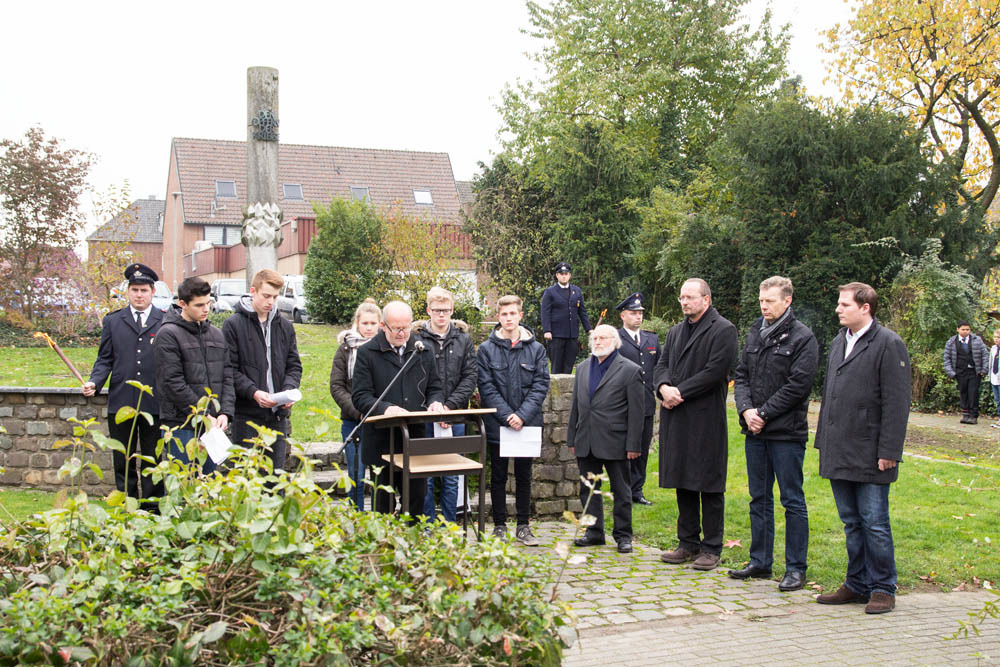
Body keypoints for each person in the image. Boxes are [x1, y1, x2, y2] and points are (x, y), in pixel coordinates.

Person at [814, 282, 911, 614]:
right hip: (839, 448)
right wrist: (822, 442)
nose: (838, 310)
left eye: (844, 305)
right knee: (851, 522)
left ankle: (883, 587)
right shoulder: (839, 341)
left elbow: (897, 404)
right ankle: (856, 584)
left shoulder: (888, 344)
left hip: (871, 452)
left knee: (874, 522)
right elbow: (831, 396)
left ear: (865, 308)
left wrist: (889, 451)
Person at [730, 276, 818, 592]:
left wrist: (763, 413)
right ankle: (760, 562)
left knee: (792, 500)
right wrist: (746, 410)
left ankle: (796, 568)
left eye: (770, 301)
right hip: (755, 432)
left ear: (787, 301)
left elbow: (798, 385)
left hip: (786, 433)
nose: (764, 306)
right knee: (759, 498)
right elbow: (741, 375)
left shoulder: (803, 338)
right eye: (761, 300)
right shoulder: (756, 331)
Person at [655, 278, 738, 571]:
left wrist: (680, 392)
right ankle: (687, 542)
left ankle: (712, 547)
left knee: (708, 482)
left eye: (690, 297)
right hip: (676, 416)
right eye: (681, 297)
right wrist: (664, 387)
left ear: (706, 300)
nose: (684, 302)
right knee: (683, 479)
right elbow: (661, 365)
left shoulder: (724, 330)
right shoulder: (677, 331)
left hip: (704, 417)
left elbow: (715, 371)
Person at [351, 301, 445, 518]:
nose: (403, 333)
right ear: (383, 326)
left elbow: (435, 387)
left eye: (407, 327)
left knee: (416, 498)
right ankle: (384, 548)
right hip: (381, 440)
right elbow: (360, 396)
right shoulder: (367, 353)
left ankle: (413, 545)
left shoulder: (423, 351)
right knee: (383, 503)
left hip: (414, 437)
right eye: (397, 328)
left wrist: (435, 401)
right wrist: (385, 408)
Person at [83, 263, 164, 505]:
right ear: (128, 292)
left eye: (144, 290)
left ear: (153, 292)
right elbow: (104, 359)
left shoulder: (166, 320)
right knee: (123, 458)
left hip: (155, 402)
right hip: (121, 401)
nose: (139, 295)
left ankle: (152, 510)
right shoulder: (113, 321)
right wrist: (94, 383)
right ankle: (126, 507)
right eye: (135, 290)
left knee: (153, 458)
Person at [477, 294, 550, 546]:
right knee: (497, 476)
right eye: (504, 314)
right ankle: (498, 525)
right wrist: (507, 415)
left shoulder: (537, 349)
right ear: (497, 317)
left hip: (526, 424)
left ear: (521, 315)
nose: (509, 318)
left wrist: (521, 415)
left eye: (513, 313)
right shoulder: (486, 350)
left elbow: (541, 385)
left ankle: (523, 526)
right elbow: (486, 387)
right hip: (499, 424)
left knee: (523, 476)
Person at [567, 325, 644, 553]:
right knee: (588, 489)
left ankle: (623, 536)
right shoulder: (581, 369)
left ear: (614, 341)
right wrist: (571, 438)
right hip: (586, 439)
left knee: (622, 490)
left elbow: (637, 413)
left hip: (616, 441)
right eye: (595, 338)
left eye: (603, 338)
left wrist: (633, 445)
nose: (598, 342)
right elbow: (576, 408)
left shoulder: (630, 370)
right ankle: (594, 532)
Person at [222, 269, 302, 474]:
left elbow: (293, 364)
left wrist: (289, 390)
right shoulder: (233, 325)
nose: (271, 302)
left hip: (277, 414)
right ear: (253, 292)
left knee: (275, 478)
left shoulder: (284, 326)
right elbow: (230, 369)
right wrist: (253, 392)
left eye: (275, 297)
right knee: (248, 476)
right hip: (247, 413)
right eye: (266, 296)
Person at [154, 276, 235, 474]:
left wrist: (225, 412)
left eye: (208, 303)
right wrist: (202, 414)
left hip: (212, 427)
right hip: (181, 424)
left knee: (208, 486)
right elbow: (172, 382)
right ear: (182, 304)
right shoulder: (168, 334)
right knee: (182, 484)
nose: (206, 309)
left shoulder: (216, 334)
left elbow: (227, 375)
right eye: (199, 305)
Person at [412, 287, 477, 523]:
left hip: (455, 417)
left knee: (452, 475)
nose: (442, 315)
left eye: (446, 310)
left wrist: (449, 406)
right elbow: (413, 376)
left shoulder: (463, 340)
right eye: (437, 310)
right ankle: (427, 527)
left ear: (452, 311)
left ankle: (450, 525)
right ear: (429, 310)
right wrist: (433, 407)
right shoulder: (417, 340)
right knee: (426, 475)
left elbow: (470, 376)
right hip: (424, 416)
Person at [329, 298, 381, 508]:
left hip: (380, 422)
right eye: (365, 323)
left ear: (380, 324)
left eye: (373, 323)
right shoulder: (345, 350)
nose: (369, 328)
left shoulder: (384, 349)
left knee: (380, 477)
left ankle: (381, 520)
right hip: (353, 421)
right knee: (356, 476)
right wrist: (357, 411)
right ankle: (356, 518)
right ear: (357, 323)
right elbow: (337, 386)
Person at [615, 292, 660, 506]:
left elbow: (659, 368)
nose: (638, 317)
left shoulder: (652, 339)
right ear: (623, 316)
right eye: (633, 313)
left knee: (641, 447)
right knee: (624, 448)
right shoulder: (616, 339)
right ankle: (622, 489)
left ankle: (637, 490)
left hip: (646, 403)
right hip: (622, 404)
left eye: (640, 313)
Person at [540, 262, 592, 374]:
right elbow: (545, 312)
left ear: (570, 275)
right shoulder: (550, 292)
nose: (564, 276)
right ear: (557, 275)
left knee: (569, 365)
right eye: (561, 273)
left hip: (572, 335)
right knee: (556, 366)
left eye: (566, 273)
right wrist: (547, 330)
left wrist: (589, 329)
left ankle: (568, 391)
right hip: (556, 335)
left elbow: (582, 311)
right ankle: (555, 391)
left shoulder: (576, 291)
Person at [943, 321, 989, 424]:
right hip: (960, 372)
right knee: (963, 393)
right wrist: (951, 372)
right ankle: (965, 414)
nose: (965, 331)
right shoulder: (951, 342)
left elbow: (984, 355)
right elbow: (947, 358)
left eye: (967, 329)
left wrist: (984, 370)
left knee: (973, 393)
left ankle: (973, 415)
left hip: (974, 372)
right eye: (963, 329)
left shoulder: (977, 340)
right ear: (958, 329)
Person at [990, 329, 1000, 428]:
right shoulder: (993, 348)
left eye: (998, 337)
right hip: (994, 377)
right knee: (997, 400)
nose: (996, 339)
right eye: (995, 337)